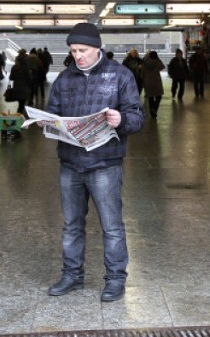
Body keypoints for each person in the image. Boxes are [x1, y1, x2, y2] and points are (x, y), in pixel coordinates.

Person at [44, 23, 144, 302]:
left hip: (105, 164)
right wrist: (48, 122)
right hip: (70, 164)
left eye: (83, 50)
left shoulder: (121, 76)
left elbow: (137, 118)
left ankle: (115, 280)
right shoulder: (64, 80)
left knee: (111, 226)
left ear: (98, 48)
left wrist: (121, 120)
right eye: (74, 51)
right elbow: (52, 114)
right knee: (71, 225)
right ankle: (72, 276)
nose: (78, 56)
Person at [141, 51, 165, 118]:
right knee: (158, 96)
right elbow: (162, 66)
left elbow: (142, 73)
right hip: (156, 81)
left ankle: (152, 112)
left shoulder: (145, 62)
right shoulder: (157, 62)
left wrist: (143, 81)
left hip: (148, 81)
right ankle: (154, 108)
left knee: (150, 97)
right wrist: (158, 59)